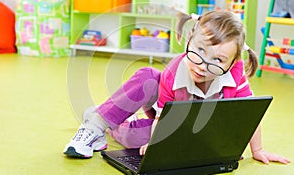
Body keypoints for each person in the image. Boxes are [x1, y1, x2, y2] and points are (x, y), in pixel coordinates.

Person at [63, 10, 291, 165]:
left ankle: (104, 116)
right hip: (167, 115)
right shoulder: (174, 72)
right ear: (189, 40)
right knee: (147, 82)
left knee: (160, 141)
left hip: (194, 131)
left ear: (232, 63)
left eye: (218, 60)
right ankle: (99, 122)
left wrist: (257, 150)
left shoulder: (236, 75)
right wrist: (154, 145)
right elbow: (162, 118)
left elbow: (248, 114)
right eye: (200, 51)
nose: (203, 65)